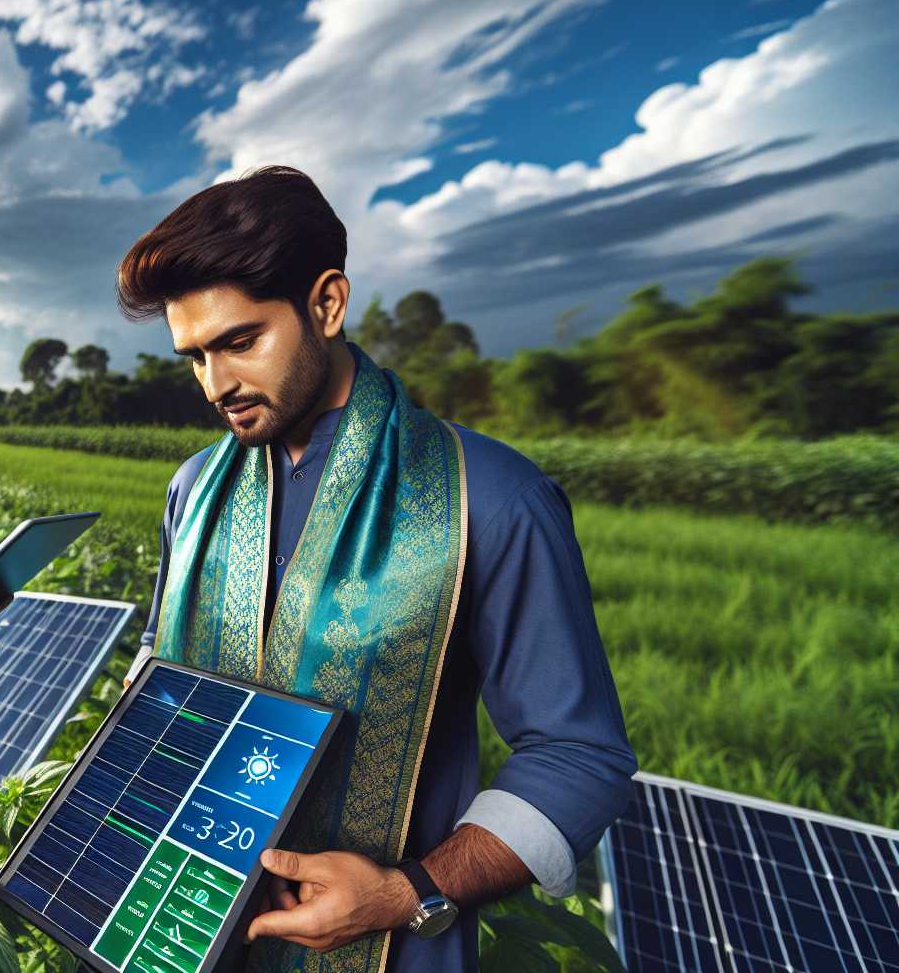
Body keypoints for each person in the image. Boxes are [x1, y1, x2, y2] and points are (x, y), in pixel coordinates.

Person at [115, 166, 636, 973]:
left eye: (240, 342)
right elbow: (158, 664)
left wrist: (409, 892)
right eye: (193, 357)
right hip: (181, 933)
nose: (216, 384)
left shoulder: (490, 496)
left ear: (327, 303)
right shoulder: (193, 489)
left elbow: (578, 754)